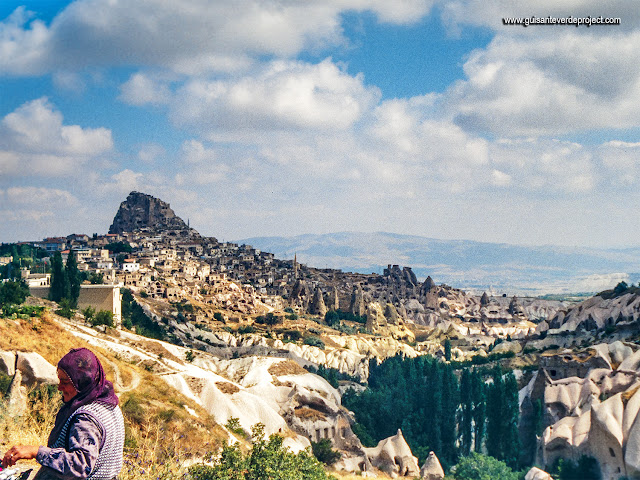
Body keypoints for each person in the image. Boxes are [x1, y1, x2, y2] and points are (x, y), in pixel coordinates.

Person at [1, 348, 125, 480]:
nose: (60, 387)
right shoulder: (109, 404)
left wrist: (36, 451)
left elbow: (80, 466)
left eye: (65, 382)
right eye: (60, 380)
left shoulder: (86, 418)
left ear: (82, 382)